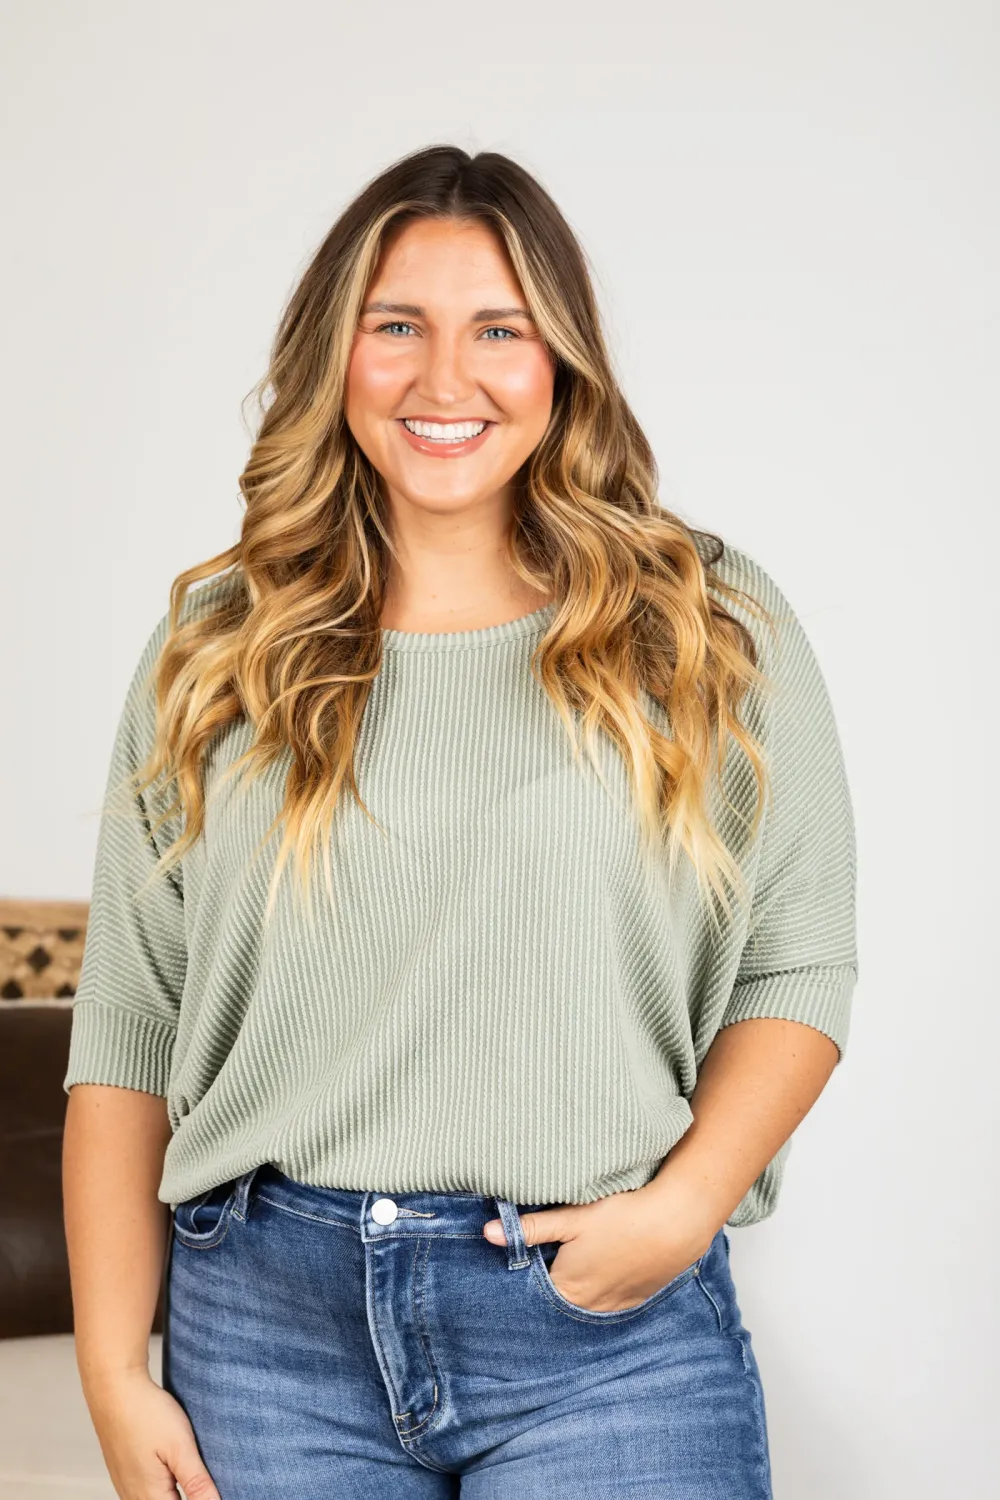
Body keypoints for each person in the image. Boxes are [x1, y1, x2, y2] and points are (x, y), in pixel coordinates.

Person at [61, 144, 858, 1500]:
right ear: (336, 354)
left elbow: (796, 963)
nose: (445, 379)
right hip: (266, 1338)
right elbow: (131, 1024)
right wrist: (110, 1371)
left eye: (498, 329)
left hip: (603, 1338)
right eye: (397, 327)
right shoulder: (219, 643)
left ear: (562, 360)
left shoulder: (704, 625)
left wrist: (684, 1210)